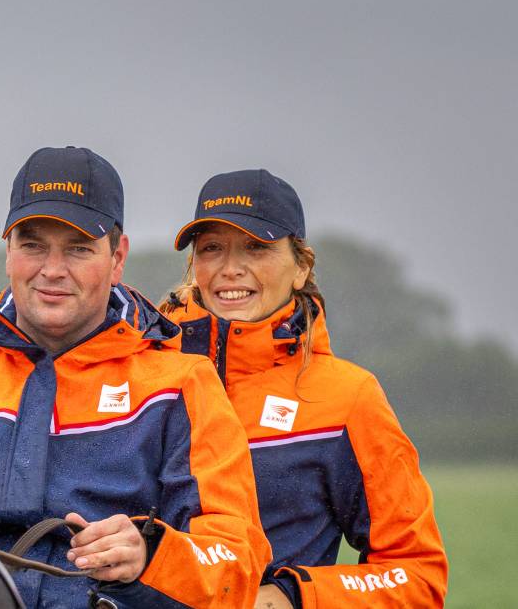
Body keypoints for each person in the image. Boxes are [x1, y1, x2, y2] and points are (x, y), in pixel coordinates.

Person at [0, 147, 272, 608]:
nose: (52, 271)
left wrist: (150, 555)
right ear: (8, 251)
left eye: (78, 248)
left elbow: (237, 561)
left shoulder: (182, 385)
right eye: (33, 245)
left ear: (117, 257)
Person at [161, 169, 449, 608]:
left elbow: (418, 577)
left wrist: (290, 598)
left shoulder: (347, 398)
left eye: (256, 247)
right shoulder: (145, 377)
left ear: (302, 267)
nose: (230, 268)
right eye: (212, 248)